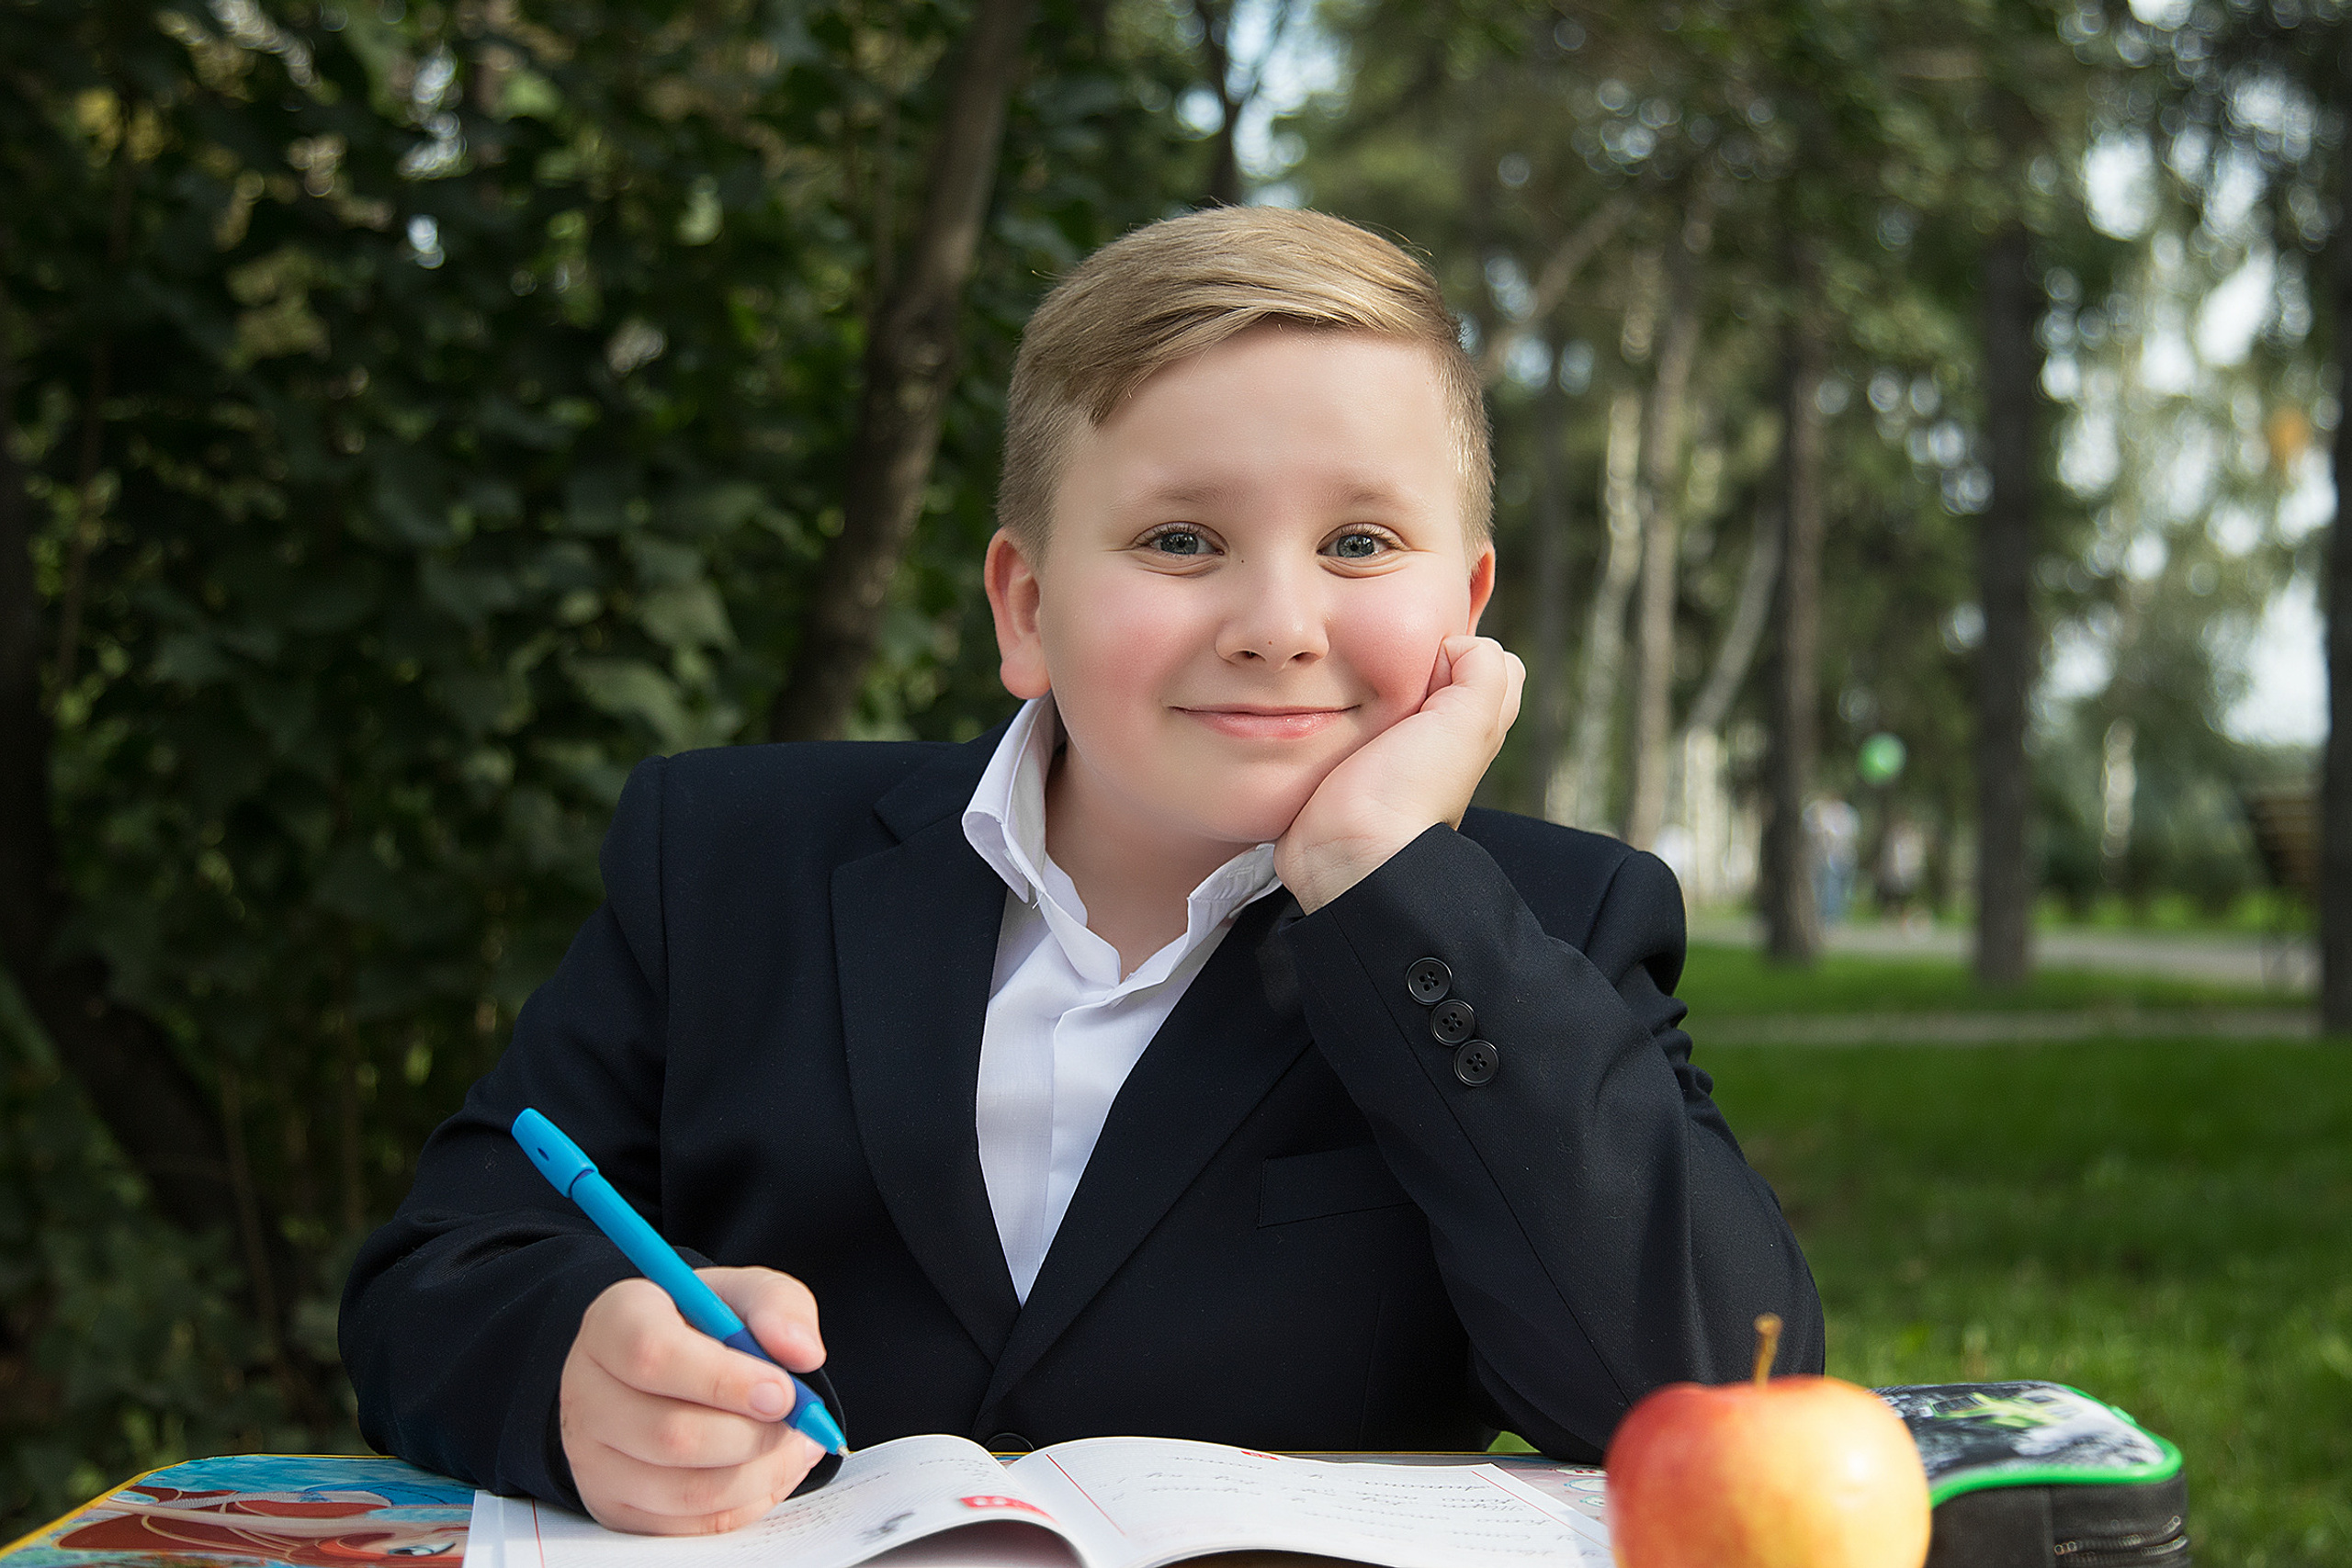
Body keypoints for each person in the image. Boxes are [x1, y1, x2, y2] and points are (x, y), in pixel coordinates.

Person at [340, 207, 1822, 1536]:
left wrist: (1382, 875)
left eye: (1361, 542)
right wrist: (571, 1372)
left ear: (1470, 602)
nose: (1277, 622)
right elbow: (435, 1281)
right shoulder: (728, 862)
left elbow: (1711, 1385)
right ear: (1028, 605)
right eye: (1183, 539)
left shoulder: (1554, 924)